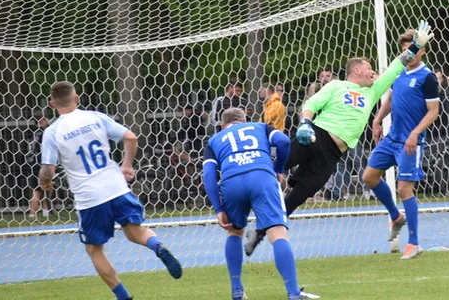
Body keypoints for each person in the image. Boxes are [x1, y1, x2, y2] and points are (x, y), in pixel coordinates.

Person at [244, 21, 432, 256]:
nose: (374, 71)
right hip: (315, 136)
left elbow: (397, 66)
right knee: (275, 166)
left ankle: (258, 233)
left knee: (298, 196)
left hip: (333, 155)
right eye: (369, 67)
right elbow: (311, 104)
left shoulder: (373, 91)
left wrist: (415, 47)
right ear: (356, 71)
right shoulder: (336, 86)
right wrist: (304, 123)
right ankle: (241, 188)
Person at [38, 81, 182, 300]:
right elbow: (131, 137)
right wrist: (127, 165)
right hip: (116, 187)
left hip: (90, 199)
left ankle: (124, 297)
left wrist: (45, 185)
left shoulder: (52, 132)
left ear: (52, 104)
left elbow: (48, 170)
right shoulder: (95, 117)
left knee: (94, 249)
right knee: (135, 232)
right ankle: (157, 246)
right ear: (76, 99)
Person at [203, 107, 317, 300]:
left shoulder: (214, 141)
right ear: (245, 119)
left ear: (222, 125)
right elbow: (282, 141)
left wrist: (218, 208)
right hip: (261, 177)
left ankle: (237, 291)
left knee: (235, 230)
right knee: (277, 232)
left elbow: (208, 176)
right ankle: (293, 292)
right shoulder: (259, 126)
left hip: (232, 183)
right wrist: (278, 168)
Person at [363, 28, 440, 259]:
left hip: (410, 142)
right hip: (392, 138)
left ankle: (414, 243)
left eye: (412, 48)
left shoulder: (428, 77)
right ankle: (396, 216)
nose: (409, 52)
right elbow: (391, 98)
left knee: (404, 188)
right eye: (405, 48)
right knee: (369, 176)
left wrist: (415, 133)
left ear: (422, 50)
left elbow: (433, 111)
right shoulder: (398, 73)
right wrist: (377, 120)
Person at [27, 114, 53, 219]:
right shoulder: (44, 133)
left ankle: (45, 214)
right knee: (37, 191)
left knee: (43, 189)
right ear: (42, 121)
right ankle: (32, 215)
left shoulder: (31, 133)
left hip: (32, 163)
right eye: (46, 119)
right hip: (41, 163)